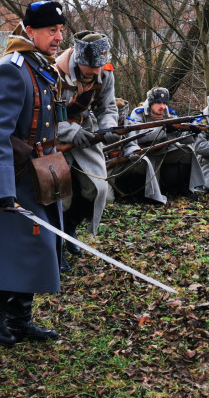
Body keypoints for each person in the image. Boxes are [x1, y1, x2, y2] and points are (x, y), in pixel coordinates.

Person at [0, 0, 66, 348]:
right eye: (50, 31)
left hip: (39, 175)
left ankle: (19, 317)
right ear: (30, 32)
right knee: (20, 247)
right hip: (12, 177)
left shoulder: (41, 66)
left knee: (39, 247)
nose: (58, 37)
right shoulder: (11, 69)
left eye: (60, 30)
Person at [55, 30, 120, 270]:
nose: (96, 72)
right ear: (77, 59)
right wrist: (69, 132)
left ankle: (70, 228)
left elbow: (107, 107)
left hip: (87, 131)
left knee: (96, 187)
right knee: (59, 195)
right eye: (90, 68)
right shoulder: (54, 72)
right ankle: (56, 245)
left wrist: (110, 128)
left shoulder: (105, 73)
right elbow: (43, 114)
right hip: (54, 136)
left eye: (98, 67)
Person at [125, 87, 203, 196]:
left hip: (163, 150)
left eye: (164, 103)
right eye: (158, 102)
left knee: (186, 152)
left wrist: (192, 132)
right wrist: (164, 129)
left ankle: (182, 187)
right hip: (145, 152)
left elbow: (180, 134)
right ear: (151, 102)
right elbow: (137, 136)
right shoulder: (138, 113)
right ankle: (136, 192)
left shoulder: (169, 113)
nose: (162, 106)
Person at [106, 95, 167, 205]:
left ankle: (133, 193)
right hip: (104, 166)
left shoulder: (128, 123)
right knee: (107, 200)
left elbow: (132, 144)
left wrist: (133, 152)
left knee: (142, 161)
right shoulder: (96, 123)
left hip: (120, 164)